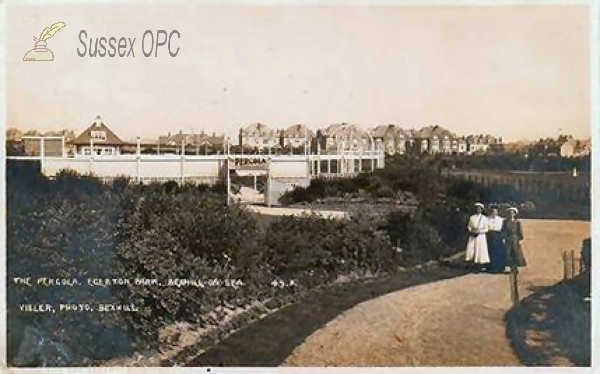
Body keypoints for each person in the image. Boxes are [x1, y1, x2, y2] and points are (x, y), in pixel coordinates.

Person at [465, 202, 490, 272]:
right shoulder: (472, 217)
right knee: (472, 250)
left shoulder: (485, 218)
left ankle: (479, 266)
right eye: (477, 208)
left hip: (481, 236)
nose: (478, 210)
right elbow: (469, 226)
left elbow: (486, 229)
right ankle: (473, 265)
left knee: (480, 251)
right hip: (473, 236)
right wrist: (471, 230)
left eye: (480, 209)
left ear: (482, 210)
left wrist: (479, 231)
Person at [501, 207, 526, 271]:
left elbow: (519, 231)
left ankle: (515, 267)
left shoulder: (517, 222)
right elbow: (503, 230)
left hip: (515, 239)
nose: (511, 214)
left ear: (515, 214)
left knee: (515, 253)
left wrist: (520, 239)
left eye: (512, 213)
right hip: (508, 238)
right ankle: (508, 267)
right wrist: (503, 238)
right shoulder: (505, 221)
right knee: (508, 253)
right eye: (510, 213)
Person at [486, 206, 505, 273]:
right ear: (491, 212)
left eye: (496, 211)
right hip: (490, 235)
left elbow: (502, 229)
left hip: (498, 236)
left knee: (498, 252)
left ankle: (499, 268)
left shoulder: (500, 219)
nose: (494, 213)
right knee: (490, 251)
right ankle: (491, 268)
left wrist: (502, 237)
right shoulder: (488, 219)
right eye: (493, 211)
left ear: (497, 212)